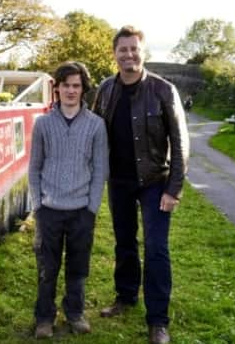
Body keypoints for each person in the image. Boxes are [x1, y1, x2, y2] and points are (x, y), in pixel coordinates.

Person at [92, 26, 189, 344]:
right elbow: (93, 133)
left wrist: (173, 189)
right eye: (123, 49)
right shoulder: (106, 89)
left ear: (142, 52)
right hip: (118, 181)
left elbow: (180, 140)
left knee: (157, 248)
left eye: (134, 49)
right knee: (124, 243)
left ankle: (158, 321)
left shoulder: (163, 90)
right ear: (115, 53)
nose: (129, 54)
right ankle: (126, 296)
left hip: (154, 182)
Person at [28, 61, 108, 338]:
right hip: (49, 210)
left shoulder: (97, 126)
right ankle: (44, 318)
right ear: (57, 88)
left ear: (83, 89)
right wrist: (37, 204)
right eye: (66, 85)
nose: (71, 91)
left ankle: (75, 313)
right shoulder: (42, 124)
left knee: (78, 266)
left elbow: (100, 169)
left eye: (76, 86)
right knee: (47, 268)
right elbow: (34, 167)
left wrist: (92, 207)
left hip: (81, 211)